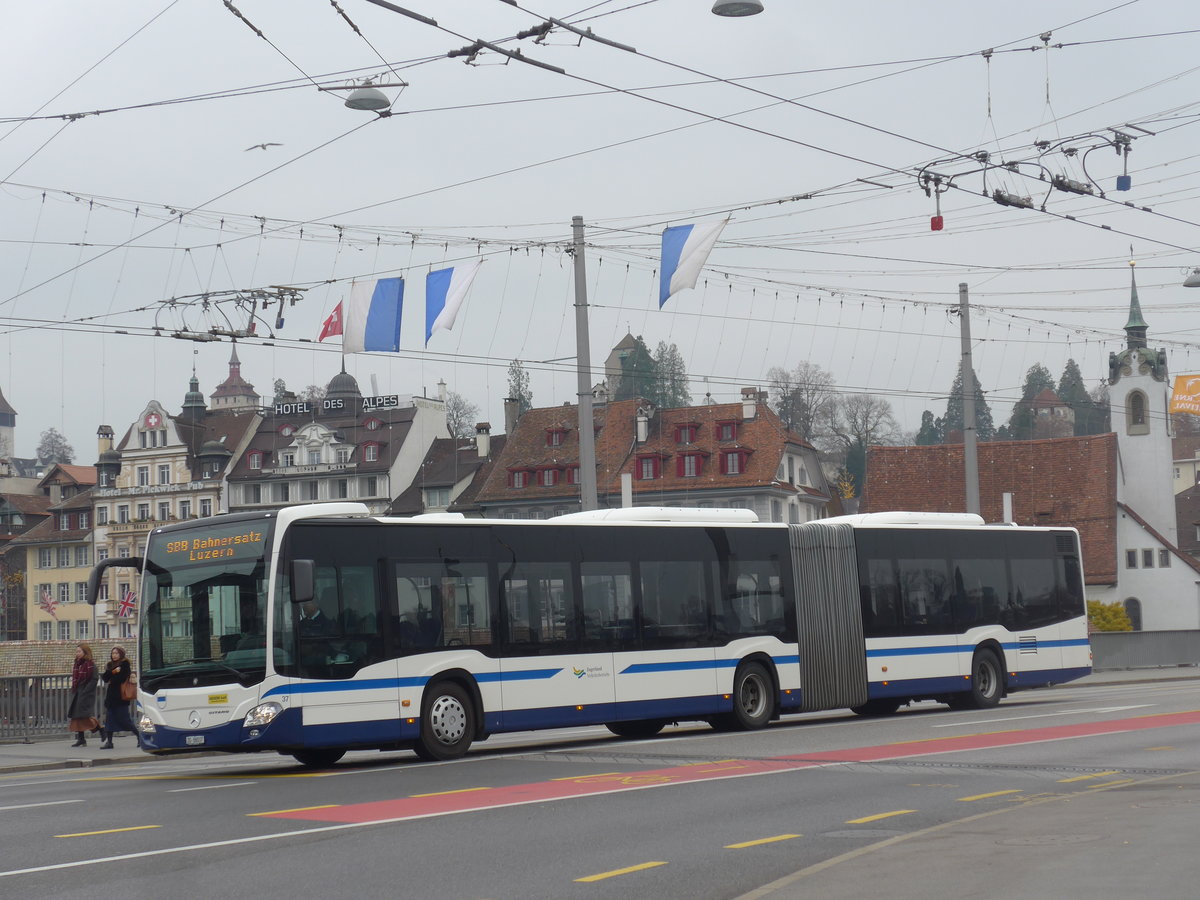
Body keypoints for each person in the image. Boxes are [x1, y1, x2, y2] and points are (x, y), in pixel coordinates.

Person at [98, 646, 137, 750]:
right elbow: (105, 678)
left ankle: (139, 737)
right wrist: (114, 671)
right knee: (109, 720)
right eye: (113, 653)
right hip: (111, 697)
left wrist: (113, 676)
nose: (114, 655)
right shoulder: (111, 665)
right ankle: (109, 742)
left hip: (121, 697)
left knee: (125, 720)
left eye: (116, 653)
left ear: (121, 654)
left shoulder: (125, 664)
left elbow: (121, 678)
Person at [67, 642, 100, 747]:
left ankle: (100, 729)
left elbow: (94, 679)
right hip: (78, 692)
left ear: (85, 652)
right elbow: (76, 677)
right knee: (77, 716)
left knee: (84, 716)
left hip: (85, 693)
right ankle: (81, 738)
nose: (77, 653)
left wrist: (86, 691)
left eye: (79, 651)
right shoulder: (77, 663)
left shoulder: (90, 664)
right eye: (76, 651)